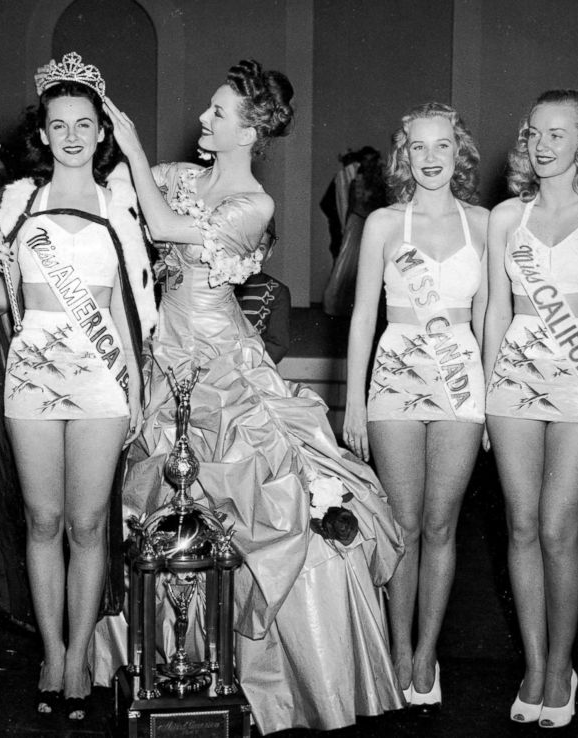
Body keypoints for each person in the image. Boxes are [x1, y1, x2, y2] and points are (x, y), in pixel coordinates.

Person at [97, 59, 405, 733]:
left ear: (250, 131)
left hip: (218, 359)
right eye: (208, 109)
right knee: (162, 501)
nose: (203, 120)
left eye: (217, 113)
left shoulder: (253, 205)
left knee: (259, 497)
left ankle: (280, 677)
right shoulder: (184, 179)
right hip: (167, 351)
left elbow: (164, 225)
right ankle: (171, 664)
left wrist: (134, 148)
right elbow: (115, 205)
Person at [0, 52, 155, 722]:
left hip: (101, 379)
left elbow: (125, 311)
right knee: (44, 519)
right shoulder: (19, 199)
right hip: (32, 375)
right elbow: (1, 304)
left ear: (101, 132)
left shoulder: (119, 204)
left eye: (86, 123)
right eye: (61, 124)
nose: (74, 134)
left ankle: (81, 653)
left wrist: (134, 388)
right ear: (44, 134)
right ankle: (51, 649)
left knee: (87, 522)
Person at [483, 89, 578, 728]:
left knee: (556, 527)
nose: (542, 145)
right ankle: (537, 664)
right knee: (520, 526)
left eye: (557, 134)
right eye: (535, 133)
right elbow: (495, 308)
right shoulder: (503, 217)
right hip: (514, 376)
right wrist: (489, 387)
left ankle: (561, 666)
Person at [344, 102, 488, 712]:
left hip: (461, 380)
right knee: (401, 526)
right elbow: (360, 320)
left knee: (441, 525)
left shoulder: (484, 222)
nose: (431, 159)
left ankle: (427, 651)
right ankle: (397, 650)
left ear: (460, 155)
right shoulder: (382, 223)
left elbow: (487, 319)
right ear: (405, 155)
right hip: (396, 376)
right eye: (420, 148)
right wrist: (353, 401)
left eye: (443, 147)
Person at [322, 146, 386, 316]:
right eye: (367, 160)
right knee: (348, 265)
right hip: (357, 224)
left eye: (373, 160)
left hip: (372, 225)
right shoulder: (354, 181)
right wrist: (347, 228)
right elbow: (351, 207)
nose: (370, 164)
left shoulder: (381, 182)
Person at [234, 219, 292, 363]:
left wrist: (251, 366)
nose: (253, 254)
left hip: (256, 369)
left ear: (270, 252)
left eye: (261, 248)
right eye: (248, 245)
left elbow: (278, 345)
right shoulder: (221, 284)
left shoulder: (277, 292)